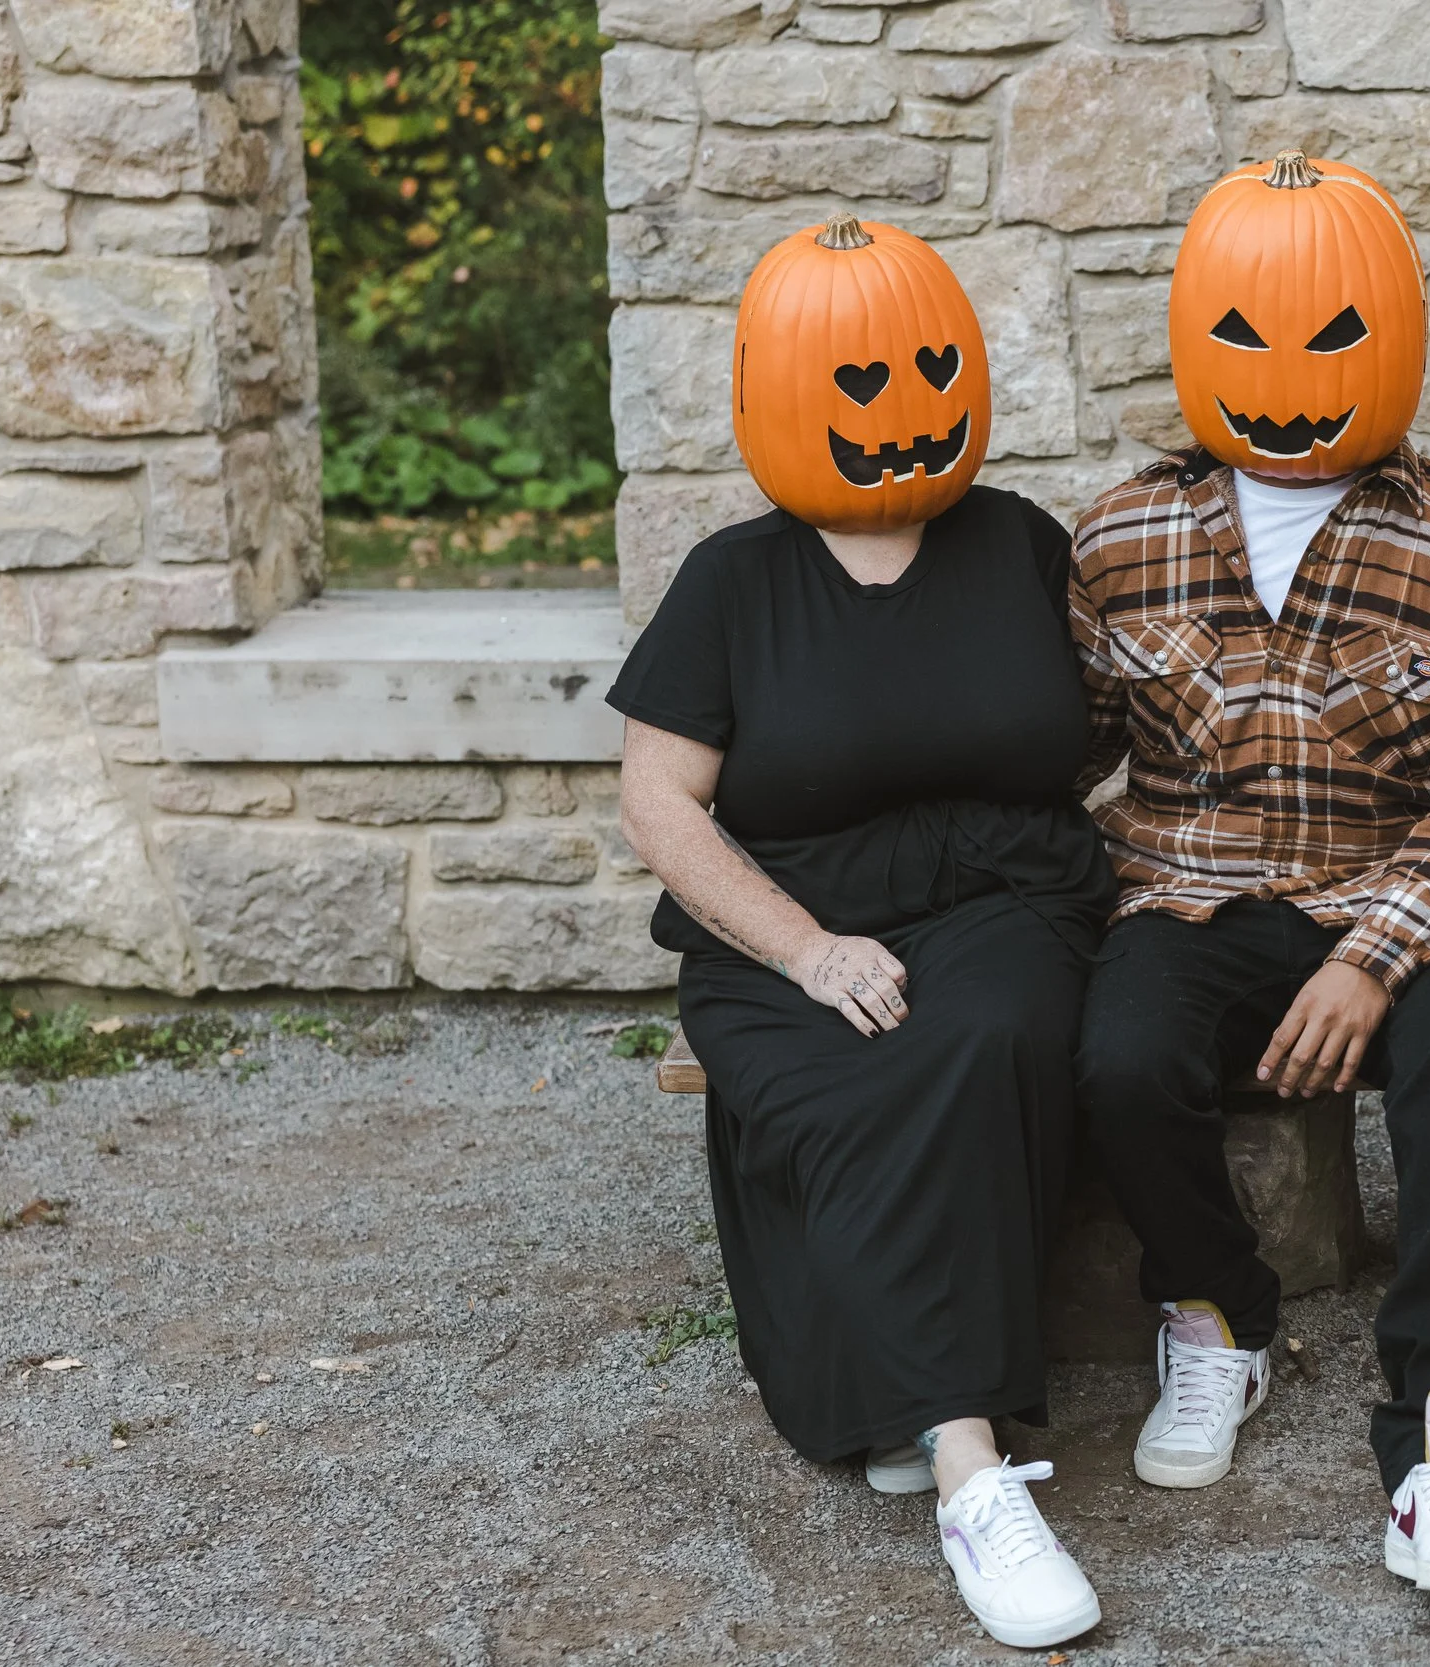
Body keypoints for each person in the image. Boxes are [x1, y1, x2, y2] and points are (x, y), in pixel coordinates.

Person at [610, 214, 1114, 1650]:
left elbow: (1127, 714)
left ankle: (951, 1459)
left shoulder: (1018, 542)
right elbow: (661, 801)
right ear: (771, 392)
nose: (898, 410)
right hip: (792, 920)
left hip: (1005, 896)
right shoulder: (731, 583)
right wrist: (805, 947)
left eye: (932, 367)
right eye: (852, 383)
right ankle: (966, 1455)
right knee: (842, 1075)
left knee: (977, 1041)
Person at [1068, 153, 1430, 1603]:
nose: (1288, 371)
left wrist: (1377, 950)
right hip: (1188, 887)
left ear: (1392, 331)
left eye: (1333, 335)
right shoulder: (1119, 537)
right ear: (1191, 335)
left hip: (1388, 888)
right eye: (1246, 335)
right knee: (1119, 1055)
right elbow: (1064, 753)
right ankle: (1224, 1311)